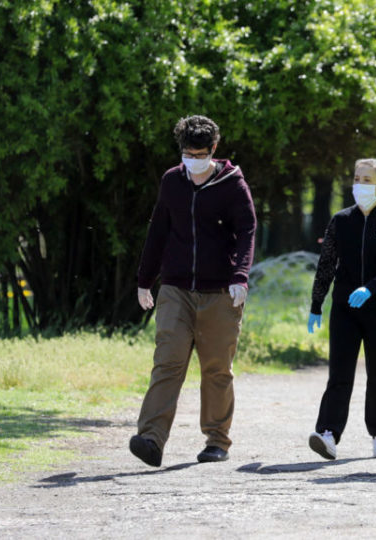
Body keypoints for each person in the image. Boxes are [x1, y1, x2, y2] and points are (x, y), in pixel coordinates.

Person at [130, 115, 256, 467]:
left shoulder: (233, 184)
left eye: (200, 154)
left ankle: (217, 440)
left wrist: (240, 276)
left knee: (217, 368)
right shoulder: (172, 181)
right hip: (176, 288)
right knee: (167, 362)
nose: (193, 160)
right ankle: (151, 438)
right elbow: (158, 230)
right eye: (188, 153)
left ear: (213, 150)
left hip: (220, 291)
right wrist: (144, 279)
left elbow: (247, 230)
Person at [306, 158, 376, 460]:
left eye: (366, 180)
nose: (359, 185)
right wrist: (316, 304)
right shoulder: (341, 220)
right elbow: (326, 265)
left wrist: (371, 288)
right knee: (339, 372)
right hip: (345, 309)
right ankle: (327, 434)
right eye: (357, 179)